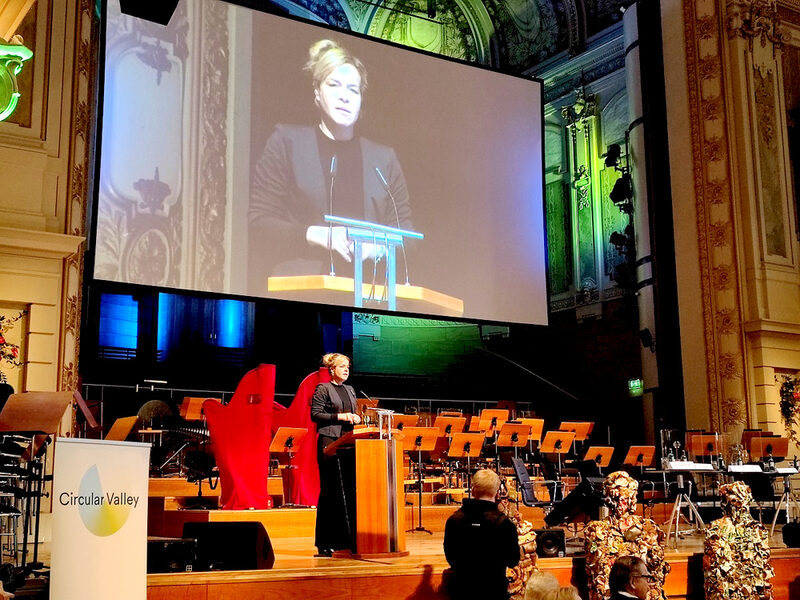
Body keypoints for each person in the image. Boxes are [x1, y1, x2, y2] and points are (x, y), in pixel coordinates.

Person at [249, 38, 414, 293]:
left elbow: (407, 236)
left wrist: (375, 247)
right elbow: (258, 223)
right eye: (334, 85)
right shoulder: (287, 142)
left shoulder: (383, 159)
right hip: (300, 292)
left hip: (369, 294)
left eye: (353, 90)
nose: (344, 97)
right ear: (317, 92)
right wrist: (320, 236)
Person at [584, 471, 669, 600]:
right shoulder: (598, 530)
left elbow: (656, 568)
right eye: (620, 498)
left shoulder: (646, 528)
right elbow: (598, 568)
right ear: (610, 499)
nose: (625, 502)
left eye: (630, 497)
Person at [309, 353, 361, 557]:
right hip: (329, 442)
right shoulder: (323, 388)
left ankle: (346, 541)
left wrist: (356, 417)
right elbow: (315, 414)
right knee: (330, 491)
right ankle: (325, 542)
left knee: (347, 491)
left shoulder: (350, 389)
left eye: (348, 366)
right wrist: (340, 416)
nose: (346, 369)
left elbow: (352, 412)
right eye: (342, 366)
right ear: (332, 370)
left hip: (348, 443)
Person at [443, 469, 520, 600]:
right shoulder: (505, 524)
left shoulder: (454, 520)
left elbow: (450, 557)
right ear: (497, 493)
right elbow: (513, 560)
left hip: (461, 591)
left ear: (473, 491)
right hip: (494, 592)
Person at [703, 481, 774, 600]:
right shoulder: (716, 528)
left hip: (750, 589)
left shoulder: (757, 529)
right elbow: (716, 566)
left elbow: (763, 564)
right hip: (729, 590)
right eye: (734, 502)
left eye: (741, 502)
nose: (739, 507)